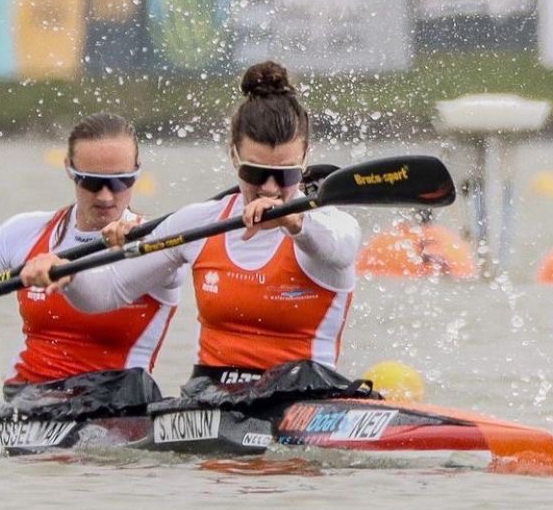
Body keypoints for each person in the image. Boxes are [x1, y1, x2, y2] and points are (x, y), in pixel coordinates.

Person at [21, 61, 361, 385]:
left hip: (302, 395)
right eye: (255, 172)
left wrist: (295, 221)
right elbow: (107, 293)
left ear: (304, 161)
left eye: (284, 174)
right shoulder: (200, 223)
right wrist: (67, 274)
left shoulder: (328, 224)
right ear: (233, 157)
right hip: (212, 399)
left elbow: (340, 249)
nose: (270, 188)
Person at [0, 112, 178, 393]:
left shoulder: (159, 242)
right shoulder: (25, 232)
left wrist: (66, 273)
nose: (106, 196)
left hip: (116, 403)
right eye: (92, 182)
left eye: (121, 181)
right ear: (69, 168)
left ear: (137, 171)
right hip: (25, 400)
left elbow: (101, 294)